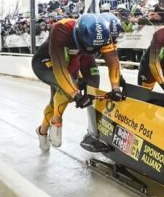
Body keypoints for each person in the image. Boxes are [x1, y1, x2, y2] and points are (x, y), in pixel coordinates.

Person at [31, 13, 124, 153]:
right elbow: (60, 68)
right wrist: (75, 95)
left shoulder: (104, 34)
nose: (92, 50)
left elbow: (113, 62)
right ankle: (55, 123)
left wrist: (116, 87)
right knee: (66, 93)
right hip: (49, 62)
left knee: (93, 87)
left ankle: (92, 131)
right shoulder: (61, 29)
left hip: (78, 59)